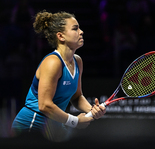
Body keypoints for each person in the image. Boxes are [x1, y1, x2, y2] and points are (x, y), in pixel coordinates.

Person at [11, 10, 106, 141]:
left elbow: (77, 97)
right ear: (61, 36)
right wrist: (75, 121)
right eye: (75, 29)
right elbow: (44, 105)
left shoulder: (77, 61)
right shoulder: (53, 62)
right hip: (31, 125)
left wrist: (93, 109)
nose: (81, 32)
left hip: (55, 126)